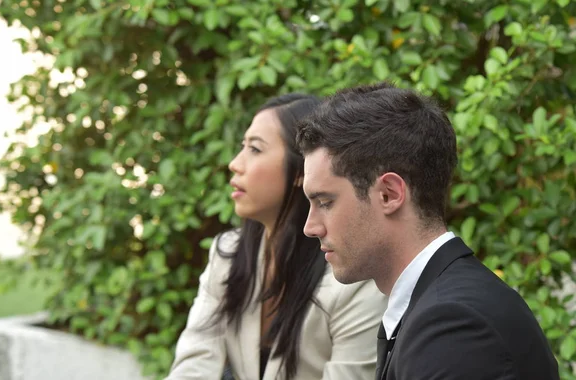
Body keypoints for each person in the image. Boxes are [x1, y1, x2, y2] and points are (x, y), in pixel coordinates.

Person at [296, 82, 560, 380]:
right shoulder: (439, 306)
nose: (310, 227)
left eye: (325, 202)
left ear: (389, 194)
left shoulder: (453, 325)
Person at [165, 93, 387, 380]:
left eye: (255, 149)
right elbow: (194, 365)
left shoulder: (353, 281)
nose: (235, 163)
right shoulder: (228, 254)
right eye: (241, 147)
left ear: (302, 170)